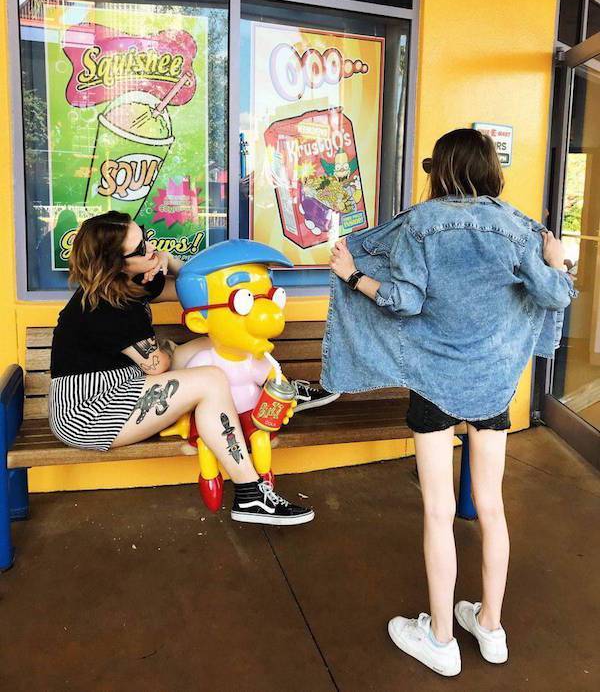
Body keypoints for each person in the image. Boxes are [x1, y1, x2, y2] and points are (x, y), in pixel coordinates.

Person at [326, 128, 576, 677]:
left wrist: (353, 275)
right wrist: (556, 260)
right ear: (490, 170)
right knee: (492, 507)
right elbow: (555, 295)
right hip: (492, 386)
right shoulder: (519, 229)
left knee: (439, 511)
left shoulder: (419, 224)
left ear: (441, 170)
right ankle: (491, 626)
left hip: (433, 382)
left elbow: (402, 302)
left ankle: (440, 638)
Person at [49, 211, 314, 526]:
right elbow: (156, 366)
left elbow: (197, 291)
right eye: (141, 249)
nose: (151, 248)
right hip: (88, 412)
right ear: (116, 264)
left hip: (125, 384)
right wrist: (168, 350)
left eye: (145, 237)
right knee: (211, 379)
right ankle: (250, 493)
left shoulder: (131, 283)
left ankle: (278, 389)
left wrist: (169, 260)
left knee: (217, 343)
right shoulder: (107, 306)